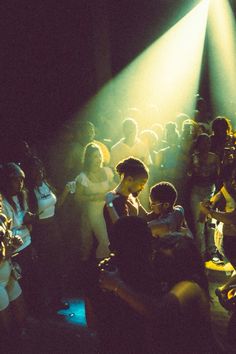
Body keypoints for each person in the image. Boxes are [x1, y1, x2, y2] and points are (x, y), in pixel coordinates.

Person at [100, 233, 222, 353]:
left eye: (163, 259)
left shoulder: (189, 287)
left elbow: (157, 311)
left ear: (181, 262)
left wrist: (116, 285)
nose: (155, 261)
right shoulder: (168, 282)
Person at [86, 216, 155, 354]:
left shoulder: (98, 272)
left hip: (109, 345)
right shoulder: (152, 271)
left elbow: (92, 322)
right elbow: (158, 314)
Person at [75, 143, 115, 261]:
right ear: (88, 159)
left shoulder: (108, 171)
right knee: (104, 240)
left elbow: (115, 189)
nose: (98, 159)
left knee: (114, 237)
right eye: (95, 157)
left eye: (99, 156)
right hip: (94, 211)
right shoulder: (82, 177)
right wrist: (94, 197)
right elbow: (78, 198)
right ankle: (102, 265)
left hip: (110, 208)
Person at [0, 193, 27, 347]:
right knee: (7, 329)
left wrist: (12, 242)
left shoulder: (3, 218)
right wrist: (12, 248)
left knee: (22, 316)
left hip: (8, 274)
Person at [188, 133, 220, 260]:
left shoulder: (214, 158)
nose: (206, 145)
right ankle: (201, 252)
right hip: (197, 191)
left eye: (208, 142)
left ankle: (212, 250)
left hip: (210, 191)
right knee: (199, 223)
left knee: (210, 222)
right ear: (199, 144)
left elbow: (217, 177)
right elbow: (189, 174)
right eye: (203, 142)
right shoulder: (194, 157)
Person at [103, 157, 149, 241]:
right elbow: (121, 229)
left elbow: (147, 218)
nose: (142, 188)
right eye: (141, 184)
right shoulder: (113, 200)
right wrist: (109, 205)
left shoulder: (132, 198)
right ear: (129, 179)